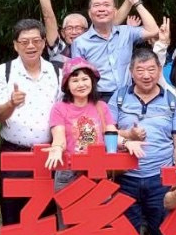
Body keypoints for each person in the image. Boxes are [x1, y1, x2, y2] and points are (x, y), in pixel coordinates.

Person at [0, 19, 60, 235]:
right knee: (13, 214)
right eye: (24, 41)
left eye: (36, 40)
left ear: (43, 43)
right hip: (14, 153)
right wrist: (11, 103)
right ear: (15, 45)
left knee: (48, 214)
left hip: (48, 154)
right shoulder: (4, 71)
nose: (30, 46)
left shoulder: (57, 71)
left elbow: (63, 112)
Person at [113, 48, 176, 235]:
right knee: (125, 230)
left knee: (163, 230)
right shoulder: (119, 97)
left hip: (160, 176)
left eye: (151, 69)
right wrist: (128, 136)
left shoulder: (172, 100)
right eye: (140, 70)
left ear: (159, 70)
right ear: (131, 72)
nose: (146, 75)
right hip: (126, 177)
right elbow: (107, 132)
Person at [70, 0, 160, 100]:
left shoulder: (126, 32)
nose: (102, 9)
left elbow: (153, 30)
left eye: (106, 5)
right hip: (97, 98)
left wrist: (135, 1)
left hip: (128, 96)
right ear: (89, 13)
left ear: (115, 12)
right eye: (97, 5)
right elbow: (77, 76)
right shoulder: (80, 43)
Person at [44, 58, 129, 190]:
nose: (81, 84)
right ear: (67, 85)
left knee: (100, 203)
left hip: (98, 169)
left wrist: (127, 143)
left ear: (92, 81)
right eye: (75, 80)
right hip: (70, 171)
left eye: (85, 79)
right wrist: (57, 148)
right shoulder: (59, 108)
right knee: (69, 204)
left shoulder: (101, 106)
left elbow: (111, 135)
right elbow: (59, 137)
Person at [25, 0, 88, 70]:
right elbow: (48, 17)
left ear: (87, 32)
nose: (74, 32)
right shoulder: (59, 49)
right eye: (69, 28)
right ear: (63, 33)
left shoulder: (95, 50)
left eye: (78, 28)